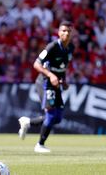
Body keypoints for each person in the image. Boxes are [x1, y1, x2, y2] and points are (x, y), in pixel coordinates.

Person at [18, 21, 74, 153]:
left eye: (68, 31)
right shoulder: (52, 46)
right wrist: (51, 75)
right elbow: (36, 64)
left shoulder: (71, 48)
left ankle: (28, 122)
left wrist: (63, 81)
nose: (66, 33)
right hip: (45, 82)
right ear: (59, 33)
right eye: (63, 31)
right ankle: (40, 145)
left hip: (56, 83)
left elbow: (63, 67)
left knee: (58, 117)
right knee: (50, 113)